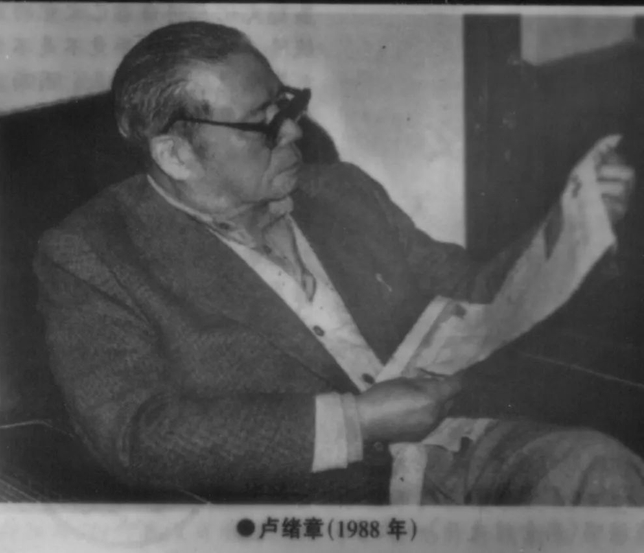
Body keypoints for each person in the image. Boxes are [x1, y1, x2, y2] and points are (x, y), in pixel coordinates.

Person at [34, 21, 643, 505]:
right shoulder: (93, 255)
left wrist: (576, 229)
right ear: (176, 155)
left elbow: (468, 290)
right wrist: (358, 422)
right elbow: (136, 434)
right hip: (322, 501)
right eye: (263, 124)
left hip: (456, 446)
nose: (294, 132)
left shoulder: (342, 192)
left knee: (597, 467)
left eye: (288, 105)